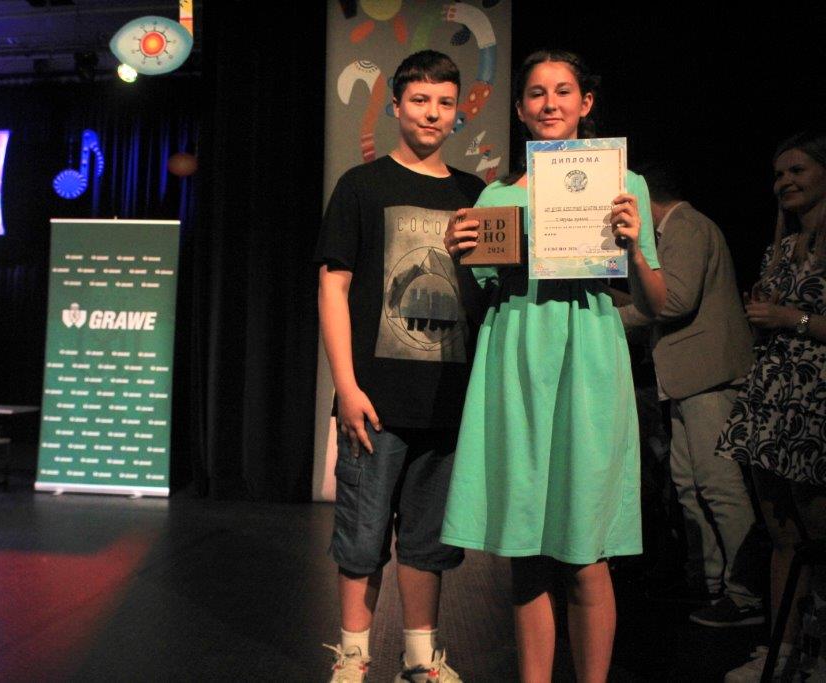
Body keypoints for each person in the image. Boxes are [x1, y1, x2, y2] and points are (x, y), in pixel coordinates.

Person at [441, 49, 666, 682]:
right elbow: (477, 301)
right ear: (519, 108)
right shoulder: (496, 194)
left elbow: (654, 303)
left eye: (563, 91)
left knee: (586, 554)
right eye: (537, 93)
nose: (550, 103)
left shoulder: (624, 184)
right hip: (515, 360)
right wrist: (459, 256)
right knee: (527, 552)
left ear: (585, 103)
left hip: (589, 360)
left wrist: (633, 249)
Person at [315, 50, 485, 683]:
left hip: (448, 397)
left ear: (458, 111)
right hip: (375, 400)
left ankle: (419, 659)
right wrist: (346, 386)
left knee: (430, 541)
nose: (432, 113)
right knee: (361, 537)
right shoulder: (361, 186)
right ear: (395, 106)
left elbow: (493, 286)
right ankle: (353, 657)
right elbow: (333, 286)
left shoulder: (475, 194)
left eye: (444, 102)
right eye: (419, 100)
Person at [618, 163, 763, 627]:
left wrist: (610, 319)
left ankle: (746, 594)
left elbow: (675, 300)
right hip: (688, 377)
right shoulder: (678, 229)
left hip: (709, 377)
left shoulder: (685, 226)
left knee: (718, 486)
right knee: (689, 484)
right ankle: (710, 583)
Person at [718, 130, 826, 682]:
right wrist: (763, 315)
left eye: (797, 170)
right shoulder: (781, 249)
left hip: (816, 402)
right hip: (774, 396)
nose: (785, 182)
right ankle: (782, 653)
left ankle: (817, 652)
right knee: (781, 531)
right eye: (779, 174)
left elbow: (800, 320)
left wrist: (791, 319)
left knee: (819, 537)